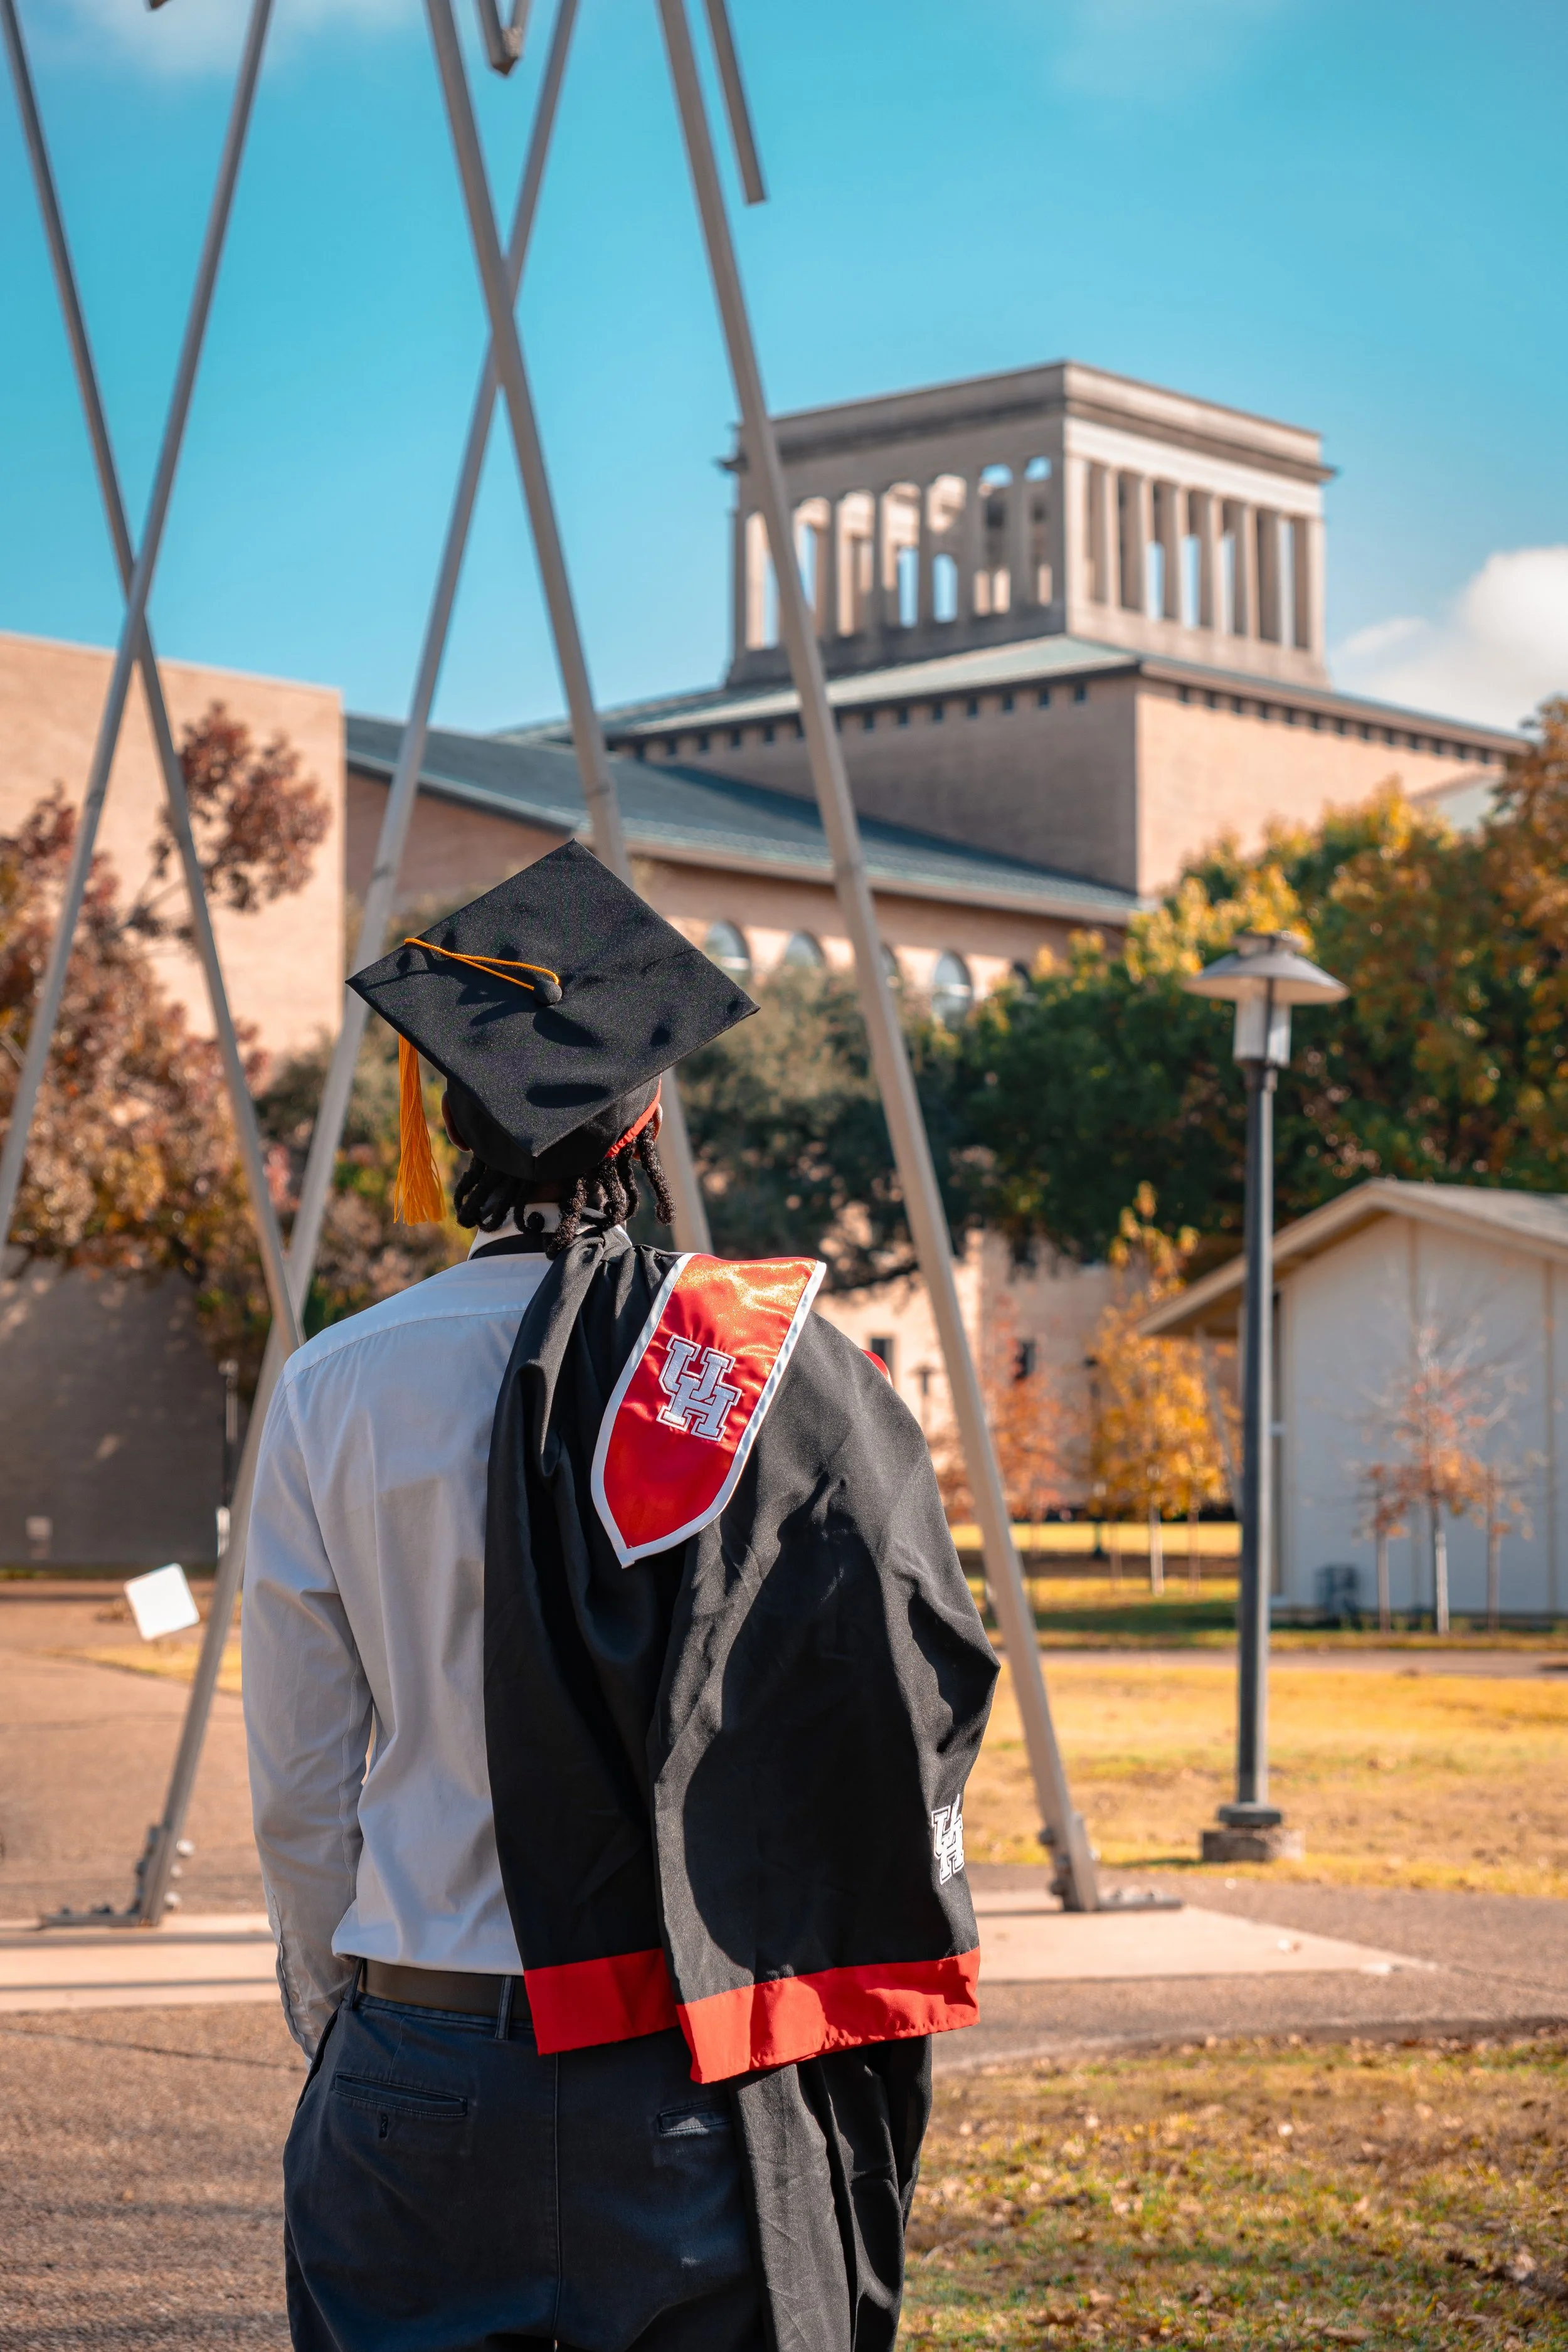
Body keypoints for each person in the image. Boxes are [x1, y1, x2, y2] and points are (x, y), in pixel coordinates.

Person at [242, 842, 999, 2352]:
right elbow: (903, 1699)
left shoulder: (331, 1388)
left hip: (416, 2061)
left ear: (447, 1126)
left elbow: (302, 1786)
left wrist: (355, 2030)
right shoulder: (778, 1372)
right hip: (693, 2070)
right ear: (644, 1114)